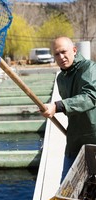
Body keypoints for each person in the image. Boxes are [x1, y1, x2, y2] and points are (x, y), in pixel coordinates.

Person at [41, 37, 96, 182]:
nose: (61, 57)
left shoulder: (89, 68)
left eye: (64, 52)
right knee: (66, 185)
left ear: (74, 50)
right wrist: (51, 108)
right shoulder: (60, 78)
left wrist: (58, 106)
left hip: (93, 139)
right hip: (74, 140)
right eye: (57, 54)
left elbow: (90, 97)